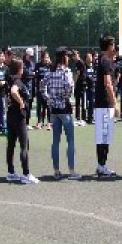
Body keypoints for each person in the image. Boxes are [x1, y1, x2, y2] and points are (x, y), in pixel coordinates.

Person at [40, 47, 81, 180]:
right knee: (70, 140)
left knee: (55, 141)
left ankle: (56, 171)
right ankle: (72, 171)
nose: (68, 58)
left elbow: (42, 86)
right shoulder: (66, 72)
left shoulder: (50, 72)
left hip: (54, 110)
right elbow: (69, 87)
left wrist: (49, 99)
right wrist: (64, 98)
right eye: (67, 56)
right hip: (65, 109)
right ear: (64, 57)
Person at [6, 59, 39, 184]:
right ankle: (26, 174)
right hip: (19, 117)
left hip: (10, 115)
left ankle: (11, 172)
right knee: (24, 145)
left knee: (11, 144)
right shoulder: (17, 81)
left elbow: (7, 96)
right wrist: (21, 103)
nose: (23, 69)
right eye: (22, 67)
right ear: (18, 69)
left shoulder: (9, 80)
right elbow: (13, 91)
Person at [94, 35, 119, 177]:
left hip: (100, 102)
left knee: (102, 136)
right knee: (104, 136)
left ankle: (101, 165)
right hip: (105, 102)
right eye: (113, 44)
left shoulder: (101, 59)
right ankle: (102, 166)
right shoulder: (105, 61)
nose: (114, 47)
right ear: (109, 46)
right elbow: (108, 84)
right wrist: (115, 103)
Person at [35, 50, 52, 130]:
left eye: (48, 57)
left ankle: (49, 122)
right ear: (42, 58)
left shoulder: (51, 66)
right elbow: (35, 76)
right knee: (39, 106)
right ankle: (40, 122)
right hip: (40, 89)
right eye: (45, 57)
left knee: (48, 106)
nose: (47, 59)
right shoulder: (38, 65)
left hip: (48, 89)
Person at [22, 47, 37, 129]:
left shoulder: (33, 64)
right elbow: (25, 74)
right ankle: (23, 123)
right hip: (24, 88)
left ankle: (27, 123)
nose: (30, 58)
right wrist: (32, 74)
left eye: (32, 56)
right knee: (24, 106)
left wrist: (32, 74)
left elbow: (34, 74)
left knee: (29, 107)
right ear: (26, 55)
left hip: (31, 88)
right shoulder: (22, 63)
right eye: (29, 56)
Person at [73, 50, 87, 126]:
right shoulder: (77, 63)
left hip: (82, 85)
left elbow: (78, 74)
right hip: (79, 85)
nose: (74, 56)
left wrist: (74, 83)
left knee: (83, 102)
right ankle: (78, 119)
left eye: (75, 55)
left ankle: (83, 119)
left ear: (78, 55)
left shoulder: (80, 63)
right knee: (77, 102)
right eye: (73, 55)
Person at [85, 53, 96, 124]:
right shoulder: (84, 67)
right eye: (88, 57)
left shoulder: (94, 66)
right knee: (86, 104)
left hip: (93, 88)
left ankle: (91, 118)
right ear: (86, 58)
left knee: (92, 103)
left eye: (91, 56)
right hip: (86, 88)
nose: (90, 58)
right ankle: (84, 118)